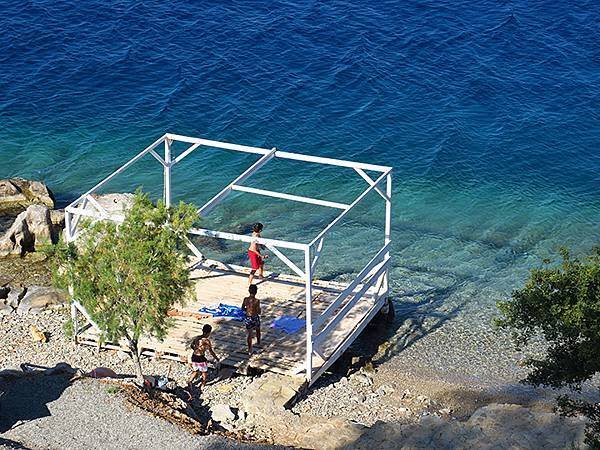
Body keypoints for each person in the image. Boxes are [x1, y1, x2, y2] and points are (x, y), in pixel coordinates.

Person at [187, 324, 219, 399]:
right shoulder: (206, 341)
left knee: (195, 370)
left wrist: (196, 349)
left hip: (194, 357)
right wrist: (216, 358)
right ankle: (203, 384)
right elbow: (211, 351)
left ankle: (190, 381)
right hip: (201, 358)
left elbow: (191, 346)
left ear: (202, 330)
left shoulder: (197, 338)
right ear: (209, 333)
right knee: (204, 372)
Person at [241, 284, 261, 355]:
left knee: (250, 333)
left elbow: (242, 308)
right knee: (258, 330)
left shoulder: (245, 299)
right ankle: (258, 343)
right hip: (254, 317)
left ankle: (249, 349)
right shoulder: (257, 301)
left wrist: (247, 310)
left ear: (249, 291)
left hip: (248, 317)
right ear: (256, 292)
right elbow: (258, 311)